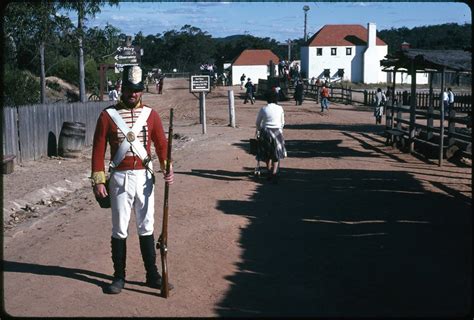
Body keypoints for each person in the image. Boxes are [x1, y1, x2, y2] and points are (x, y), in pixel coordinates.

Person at [91, 65, 174, 295]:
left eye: (137, 90)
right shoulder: (107, 116)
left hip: (144, 179)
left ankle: (152, 274)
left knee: (146, 227)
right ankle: (119, 276)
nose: (132, 94)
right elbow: (98, 150)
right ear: (122, 88)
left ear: (141, 91)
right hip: (118, 178)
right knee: (119, 229)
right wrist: (98, 180)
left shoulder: (151, 115)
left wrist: (167, 168)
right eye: (129, 89)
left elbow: (162, 146)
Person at [255, 91, 286, 183]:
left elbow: (257, 123)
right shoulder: (280, 108)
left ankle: (268, 172)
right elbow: (283, 122)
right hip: (277, 132)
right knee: (276, 154)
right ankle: (274, 173)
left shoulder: (263, 109)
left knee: (267, 154)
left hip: (266, 132)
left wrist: (260, 130)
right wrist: (279, 130)